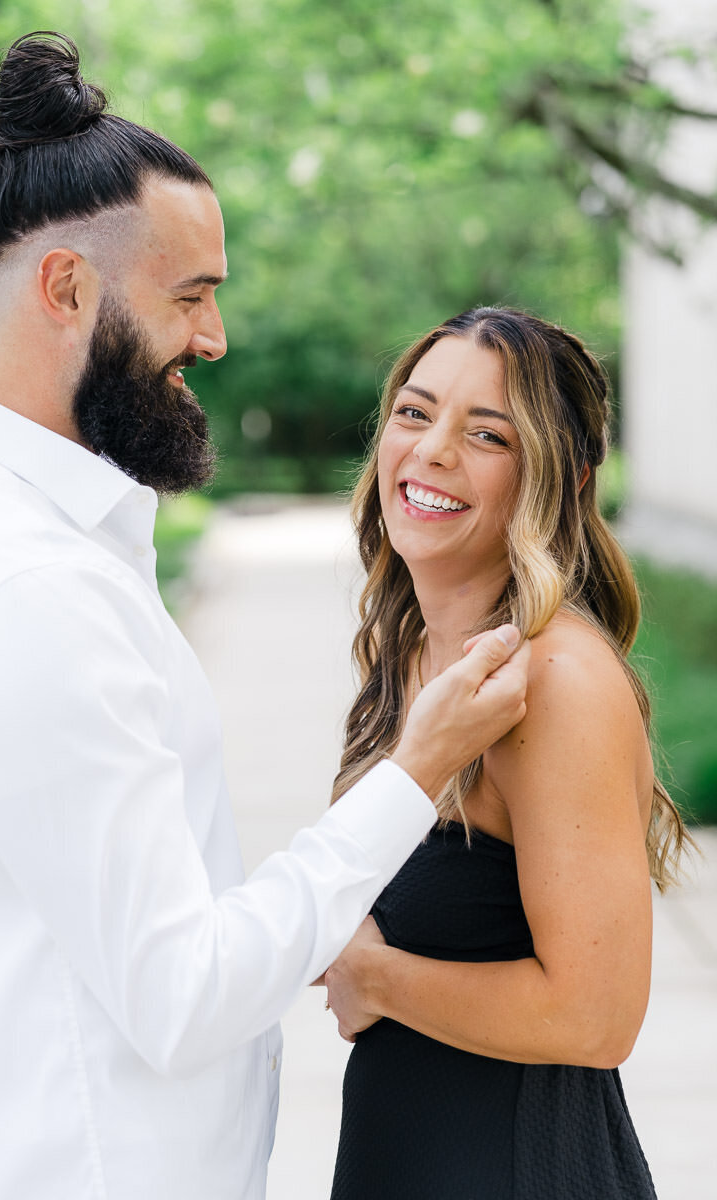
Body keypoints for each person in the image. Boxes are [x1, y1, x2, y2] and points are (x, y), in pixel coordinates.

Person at [0, 34, 531, 1200]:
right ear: (68, 289)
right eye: (190, 297)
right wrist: (417, 770)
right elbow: (181, 990)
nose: (214, 339)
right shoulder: (25, 591)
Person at [324, 307, 693, 1199]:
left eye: (487, 433)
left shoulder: (556, 683)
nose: (433, 449)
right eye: (414, 413)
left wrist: (372, 974)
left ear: (558, 479)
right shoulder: (407, 647)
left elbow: (596, 1017)